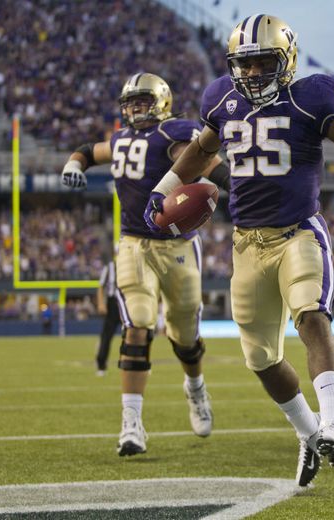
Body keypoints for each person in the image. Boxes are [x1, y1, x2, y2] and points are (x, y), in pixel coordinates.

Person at [144, 15, 334, 486]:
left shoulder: (311, 97)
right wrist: (165, 186)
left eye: (262, 63)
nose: (253, 73)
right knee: (260, 359)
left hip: (299, 232)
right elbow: (199, 149)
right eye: (245, 64)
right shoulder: (221, 98)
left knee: (312, 317)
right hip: (246, 243)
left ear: (285, 59)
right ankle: (309, 433)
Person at [61, 72, 230, 456]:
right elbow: (88, 150)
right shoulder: (120, 139)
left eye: (142, 101)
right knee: (137, 324)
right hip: (134, 244)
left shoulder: (173, 135)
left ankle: (196, 387)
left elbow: (206, 162)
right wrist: (74, 165)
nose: (135, 108)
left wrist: (233, 184)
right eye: (131, 102)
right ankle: (131, 424)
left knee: (185, 335)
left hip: (178, 247)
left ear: (161, 102)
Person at [95, 256, 121, 376]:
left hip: (128, 302)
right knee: (106, 335)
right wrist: (101, 303)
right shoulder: (110, 267)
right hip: (112, 303)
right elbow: (101, 286)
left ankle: (136, 364)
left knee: (135, 334)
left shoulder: (132, 264)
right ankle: (101, 365)